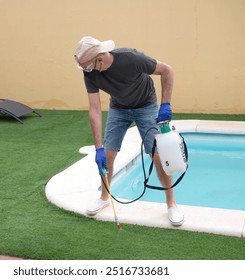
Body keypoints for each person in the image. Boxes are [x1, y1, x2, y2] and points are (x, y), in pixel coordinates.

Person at [74, 36, 184, 226]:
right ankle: (103, 197)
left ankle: (171, 204)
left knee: (156, 155)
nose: (86, 70)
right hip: (118, 107)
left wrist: (165, 104)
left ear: (99, 59)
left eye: (87, 66)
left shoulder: (130, 58)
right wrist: (98, 147)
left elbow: (167, 70)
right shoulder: (90, 73)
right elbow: (94, 109)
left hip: (146, 105)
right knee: (108, 154)